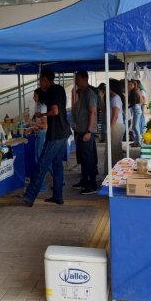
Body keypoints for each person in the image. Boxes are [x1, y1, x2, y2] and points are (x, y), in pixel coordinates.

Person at [18, 69, 71, 207]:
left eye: (41, 80)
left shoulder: (52, 91)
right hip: (64, 132)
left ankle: (29, 197)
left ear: (46, 79)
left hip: (56, 134)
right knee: (57, 165)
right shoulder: (59, 89)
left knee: (42, 164)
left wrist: (42, 115)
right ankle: (58, 196)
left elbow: (55, 111)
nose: (40, 83)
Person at [72, 71, 98, 195]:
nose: (76, 82)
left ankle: (91, 184)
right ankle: (84, 180)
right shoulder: (81, 94)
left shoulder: (89, 94)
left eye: (77, 79)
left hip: (86, 132)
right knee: (82, 158)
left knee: (88, 159)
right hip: (80, 131)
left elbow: (92, 112)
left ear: (84, 79)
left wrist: (88, 131)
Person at [25, 88, 48, 192]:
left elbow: (44, 125)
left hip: (42, 135)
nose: (33, 97)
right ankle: (58, 179)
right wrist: (32, 128)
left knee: (40, 160)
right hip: (40, 133)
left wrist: (31, 123)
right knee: (44, 160)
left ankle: (42, 185)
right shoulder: (38, 106)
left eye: (35, 96)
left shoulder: (42, 106)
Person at [109, 79, 126, 165]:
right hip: (116, 125)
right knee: (114, 150)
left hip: (116, 125)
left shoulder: (115, 98)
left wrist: (110, 128)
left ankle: (117, 171)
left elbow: (115, 115)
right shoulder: (113, 98)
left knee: (115, 150)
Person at [127, 80, 144, 146]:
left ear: (134, 85)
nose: (130, 86)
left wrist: (127, 107)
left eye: (131, 85)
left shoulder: (133, 92)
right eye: (129, 85)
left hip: (136, 109)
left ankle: (138, 142)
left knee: (135, 126)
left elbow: (133, 102)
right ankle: (136, 141)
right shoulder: (133, 91)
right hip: (136, 109)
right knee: (135, 126)